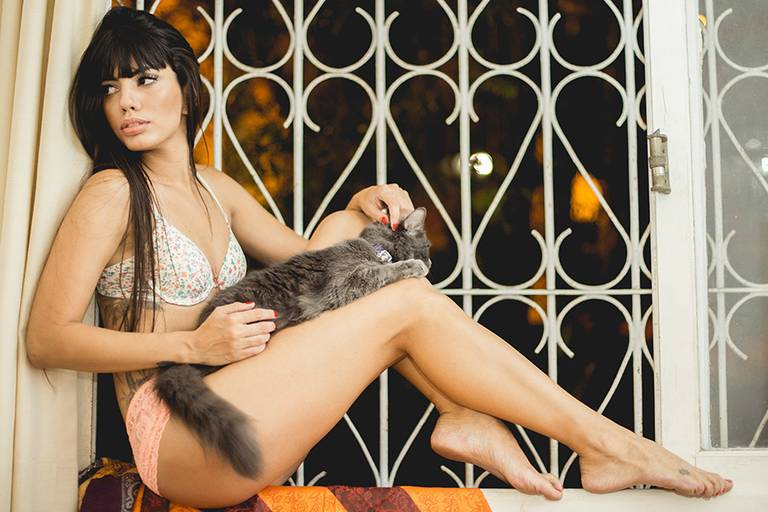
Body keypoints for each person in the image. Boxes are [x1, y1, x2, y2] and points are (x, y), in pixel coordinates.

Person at [24, 7, 732, 509]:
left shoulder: (215, 188)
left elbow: (313, 265)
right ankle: (603, 443)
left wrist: (360, 204)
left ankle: (469, 415)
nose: (127, 103)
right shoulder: (112, 193)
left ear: (185, 87)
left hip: (239, 398)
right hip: (182, 434)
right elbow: (47, 339)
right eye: (110, 89)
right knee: (405, 301)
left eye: (144, 80)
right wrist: (191, 343)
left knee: (360, 258)